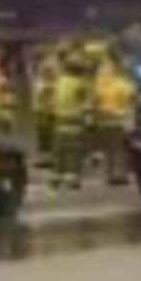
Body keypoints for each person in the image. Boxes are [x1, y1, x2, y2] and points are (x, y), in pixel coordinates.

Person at [50, 51, 94, 190]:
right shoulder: (80, 84)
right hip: (74, 121)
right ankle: (72, 179)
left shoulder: (60, 82)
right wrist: (89, 122)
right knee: (73, 151)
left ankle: (56, 177)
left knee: (59, 150)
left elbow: (53, 100)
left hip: (59, 121)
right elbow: (86, 105)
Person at [93, 59, 137, 186]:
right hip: (116, 122)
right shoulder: (121, 84)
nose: (103, 73)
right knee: (117, 151)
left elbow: (94, 102)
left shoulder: (99, 85)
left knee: (111, 151)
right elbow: (132, 98)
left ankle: (112, 175)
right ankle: (118, 175)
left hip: (108, 122)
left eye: (104, 70)